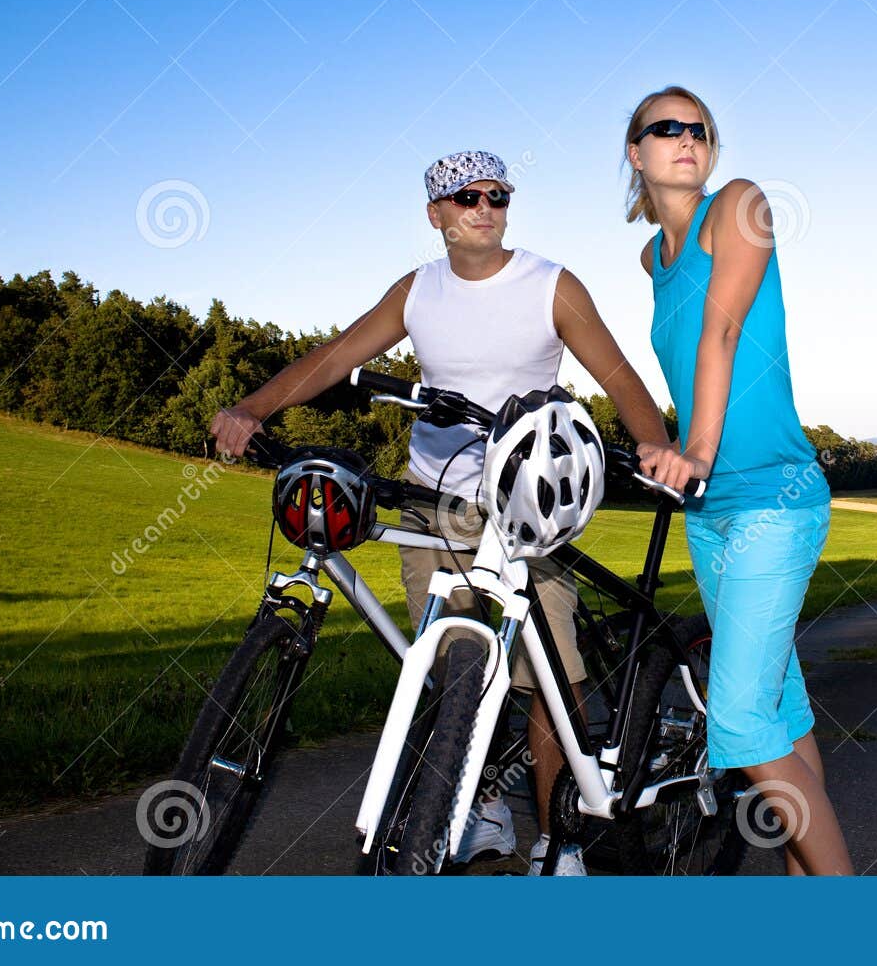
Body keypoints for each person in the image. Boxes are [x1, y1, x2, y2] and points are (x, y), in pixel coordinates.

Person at [210, 149, 674, 876]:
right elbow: (334, 359)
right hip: (434, 500)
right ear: (437, 214)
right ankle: (480, 807)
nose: (485, 208)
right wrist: (252, 406)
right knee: (447, 668)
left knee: (548, 672)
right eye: (467, 198)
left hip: (525, 504)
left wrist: (657, 449)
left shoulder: (551, 285)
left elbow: (618, 377)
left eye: (497, 195)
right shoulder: (417, 290)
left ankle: (559, 841)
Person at [625, 86, 854, 875]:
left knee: (741, 724)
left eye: (700, 129)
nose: (686, 138)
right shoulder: (650, 259)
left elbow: (721, 329)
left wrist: (697, 448)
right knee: (779, 716)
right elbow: (685, 363)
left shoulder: (742, 204)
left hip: (773, 497)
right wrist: (669, 454)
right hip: (710, 513)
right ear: (636, 152)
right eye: (667, 128)